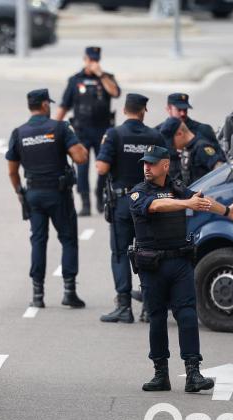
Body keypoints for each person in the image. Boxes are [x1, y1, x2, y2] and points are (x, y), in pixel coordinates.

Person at [129, 145, 233, 392]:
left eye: (151, 163)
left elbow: (201, 201)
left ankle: (193, 373)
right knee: (158, 320)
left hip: (179, 263)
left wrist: (227, 211)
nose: (146, 167)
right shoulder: (139, 192)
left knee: (187, 316)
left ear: (165, 165)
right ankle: (161, 374)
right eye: (144, 163)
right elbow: (156, 207)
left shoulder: (177, 188)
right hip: (152, 266)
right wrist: (186, 203)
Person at [6, 89, 89, 309]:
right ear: (44, 105)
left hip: (33, 194)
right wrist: (74, 138)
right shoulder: (60, 128)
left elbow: (12, 171)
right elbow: (81, 158)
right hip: (58, 194)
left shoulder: (19, 133)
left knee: (38, 241)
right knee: (68, 239)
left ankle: (37, 294)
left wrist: (19, 192)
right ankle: (69, 291)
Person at [96, 94, 165, 324]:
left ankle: (124, 306)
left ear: (125, 110)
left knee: (120, 253)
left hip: (123, 203)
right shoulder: (155, 136)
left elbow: (102, 167)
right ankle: (149, 305)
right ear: (144, 110)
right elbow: (165, 170)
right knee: (148, 253)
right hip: (149, 202)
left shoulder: (114, 134)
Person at [55, 46, 121, 216]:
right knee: (82, 168)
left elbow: (115, 92)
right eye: (90, 60)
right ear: (84, 59)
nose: (93, 63)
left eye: (96, 60)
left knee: (103, 167)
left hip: (103, 130)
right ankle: (85, 202)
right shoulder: (75, 80)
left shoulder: (107, 78)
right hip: (82, 130)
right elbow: (64, 105)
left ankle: (100, 195)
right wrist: (53, 127)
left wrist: (100, 74)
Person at [159, 117, 225, 185]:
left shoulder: (201, 147)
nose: (172, 146)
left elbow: (221, 170)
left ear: (180, 134)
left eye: (172, 142)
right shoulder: (188, 149)